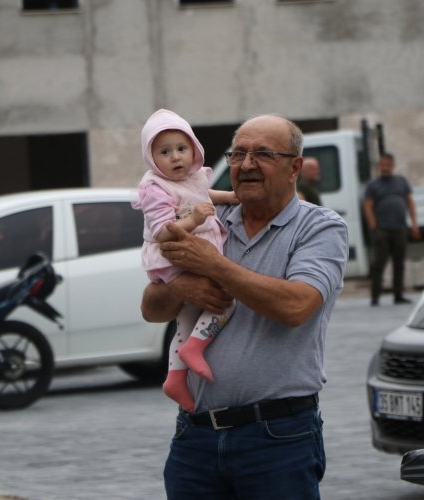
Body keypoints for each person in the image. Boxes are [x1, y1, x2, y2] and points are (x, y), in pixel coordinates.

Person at [141, 114, 348, 499]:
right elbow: (152, 307)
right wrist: (182, 285)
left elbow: (297, 306)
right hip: (196, 436)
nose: (247, 165)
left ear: (295, 167)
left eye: (263, 154)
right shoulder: (203, 218)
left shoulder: (320, 227)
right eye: (238, 154)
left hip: (277, 438)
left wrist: (212, 264)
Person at [133, 109, 238, 413]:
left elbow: (203, 193)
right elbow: (164, 233)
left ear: (194, 148)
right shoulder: (154, 188)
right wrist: (194, 220)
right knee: (227, 298)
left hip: (191, 251)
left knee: (189, 316)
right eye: (164, 152)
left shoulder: (192, 178)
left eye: (182, 148)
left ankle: (176, 377)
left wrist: (229, 197)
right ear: (151, 158)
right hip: (176, 254)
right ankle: (195, 347)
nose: (176, 157)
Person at [363, 152, 421, 306]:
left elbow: (410, 202)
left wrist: (414, 224)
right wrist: (374, 227)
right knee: (378, 264)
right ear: (378, 167)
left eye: (388, 165)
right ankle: (375, 297)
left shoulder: (401, 182)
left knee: (399, 263)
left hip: (400, 228)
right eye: (382, 165)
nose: (385, 168)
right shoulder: (373, 185)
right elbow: (368, 206)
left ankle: (398, 295)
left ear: (393, 166)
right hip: (382, 230)